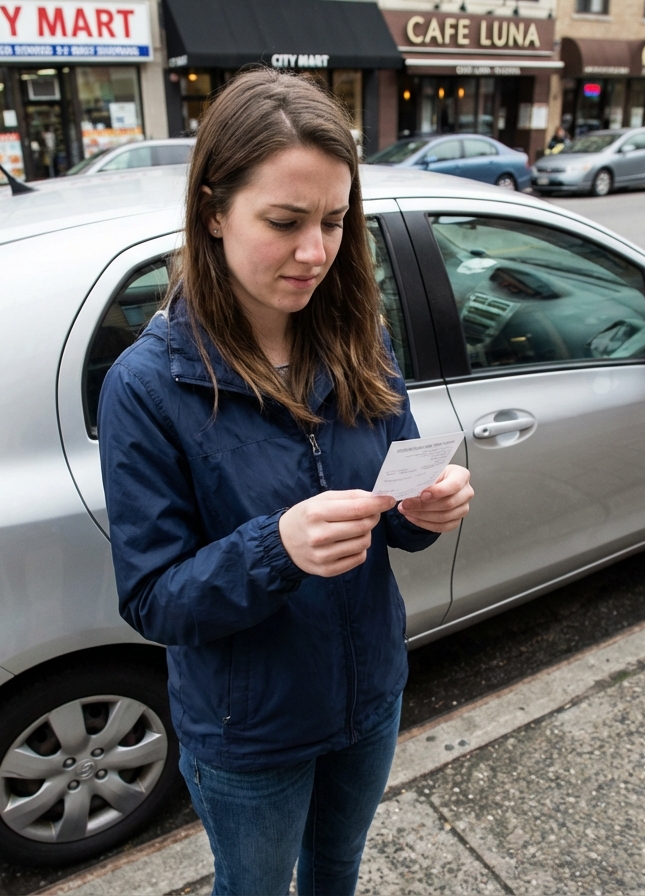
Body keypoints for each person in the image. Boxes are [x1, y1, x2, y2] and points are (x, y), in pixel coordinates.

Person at [98, 69, 473, 896]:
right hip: (248, 731)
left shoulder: (359, 339)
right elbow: (154, 599)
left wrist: (426, 506)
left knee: (337, 872)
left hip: (369, 693)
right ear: (213, 212)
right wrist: (277, 549)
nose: (316, 252)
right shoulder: (147, 386)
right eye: (285, 221)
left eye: (335, 222)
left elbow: (393, 514)